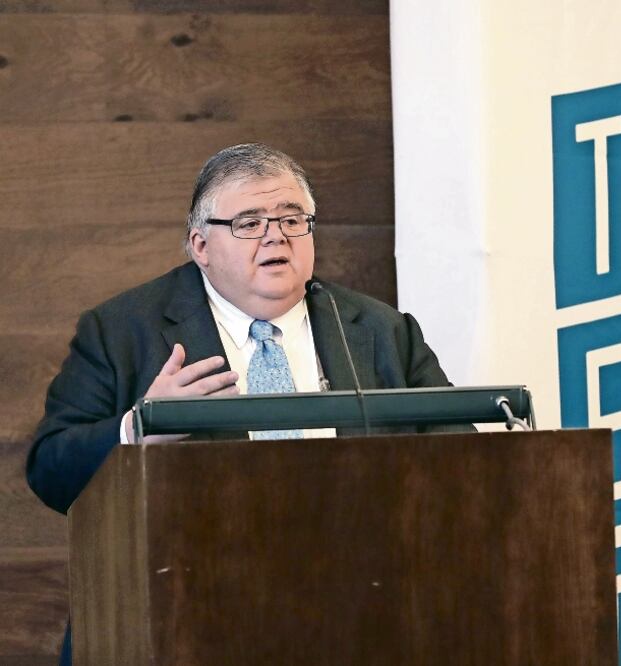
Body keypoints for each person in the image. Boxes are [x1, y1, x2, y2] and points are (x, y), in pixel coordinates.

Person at [26, 143, 460, 664]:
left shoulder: (381, 331)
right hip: (184, 616)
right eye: (250, 223)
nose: (276, 235)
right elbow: (51, 471)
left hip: (358, 610)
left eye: (292, 219)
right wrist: (139, 426)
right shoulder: (122, 330)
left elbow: (460, 463)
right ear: (200, 245)